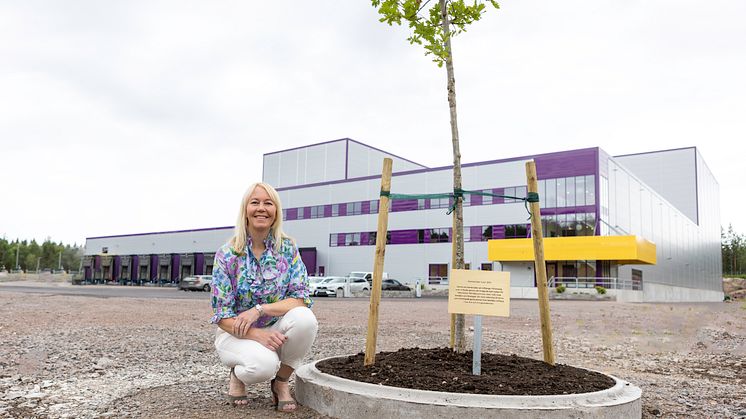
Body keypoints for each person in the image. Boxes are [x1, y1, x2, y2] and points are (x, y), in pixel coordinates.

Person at [210, 182, 318, 412]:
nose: (261, 208)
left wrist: (260, 310)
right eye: (255, 202)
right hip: (236, 332)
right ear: (245, 210)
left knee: (305, 318)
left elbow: (300, 298)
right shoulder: (227, 254)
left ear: (276, 212)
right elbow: (222, 316)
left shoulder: (287, 249)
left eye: (268, 203)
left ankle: (280, 383)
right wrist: (257, 334)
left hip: (275, 327)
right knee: (261, 367)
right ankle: (237, 375)